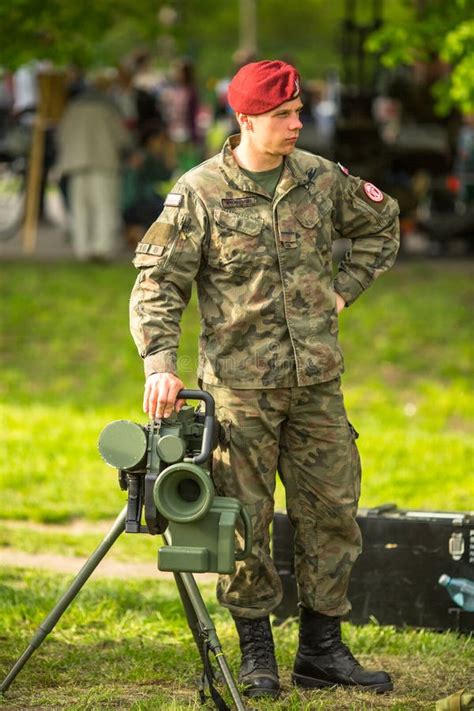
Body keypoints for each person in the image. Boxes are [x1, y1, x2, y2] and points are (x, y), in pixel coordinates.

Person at [129, 60, 400, 698]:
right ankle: (257, 656)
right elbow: (157, 283)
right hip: (239, 392)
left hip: (316, 385)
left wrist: (342, 292)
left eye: (298, 112)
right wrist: (160, 366)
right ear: (246, 120)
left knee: (332, 513)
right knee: (246, 522)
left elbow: (381, 226)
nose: (297, 124)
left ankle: (321, 650)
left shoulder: (318, 178)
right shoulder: (199, 191)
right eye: (283, 115)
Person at [56, 77, 131, 261]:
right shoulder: (108, 109)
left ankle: (82, 249)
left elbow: (61, 136)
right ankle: (102, 248)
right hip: (104, 164)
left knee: (79, 209)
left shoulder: (72, 109)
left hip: (76, 165)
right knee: (104, 207)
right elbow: (122, 138)